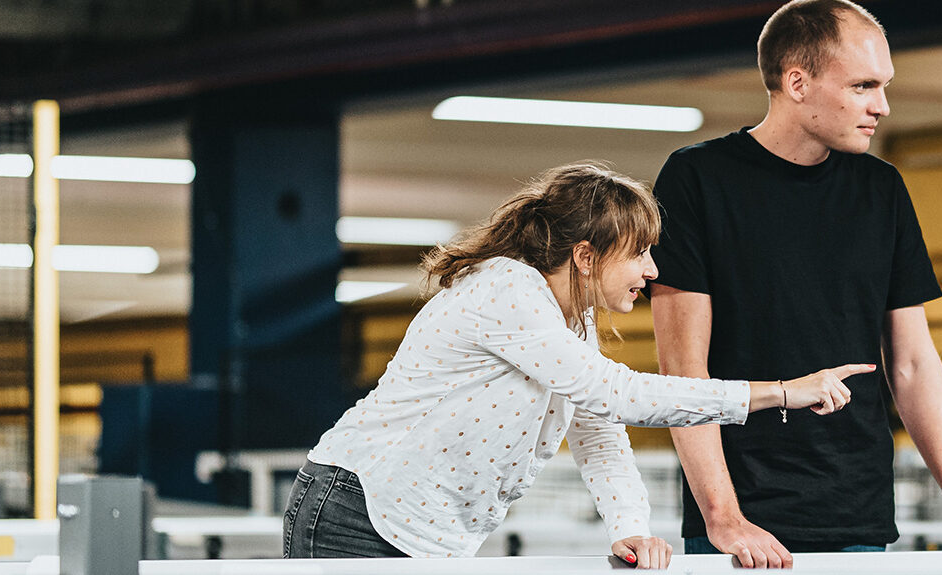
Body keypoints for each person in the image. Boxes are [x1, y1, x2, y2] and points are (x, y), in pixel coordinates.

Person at [283, 162, 872, 563]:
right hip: (358, 512)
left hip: (426, 533)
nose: (653, 271)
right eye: (639, 253)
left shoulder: (573, 319)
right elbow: (621, 394)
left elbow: (601, 435)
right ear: (585, 256)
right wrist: (781, 393)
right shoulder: (506, 288)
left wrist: (631, 532)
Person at [648, 0, 942, 568]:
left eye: (884, 85)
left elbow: (914, 363)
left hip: (859, 513)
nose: (882, 106)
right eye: (864, 85)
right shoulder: (697, 179)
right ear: (797, 82)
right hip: (741, 525)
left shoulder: (882, 191)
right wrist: (724, 518)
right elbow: (684, 371)